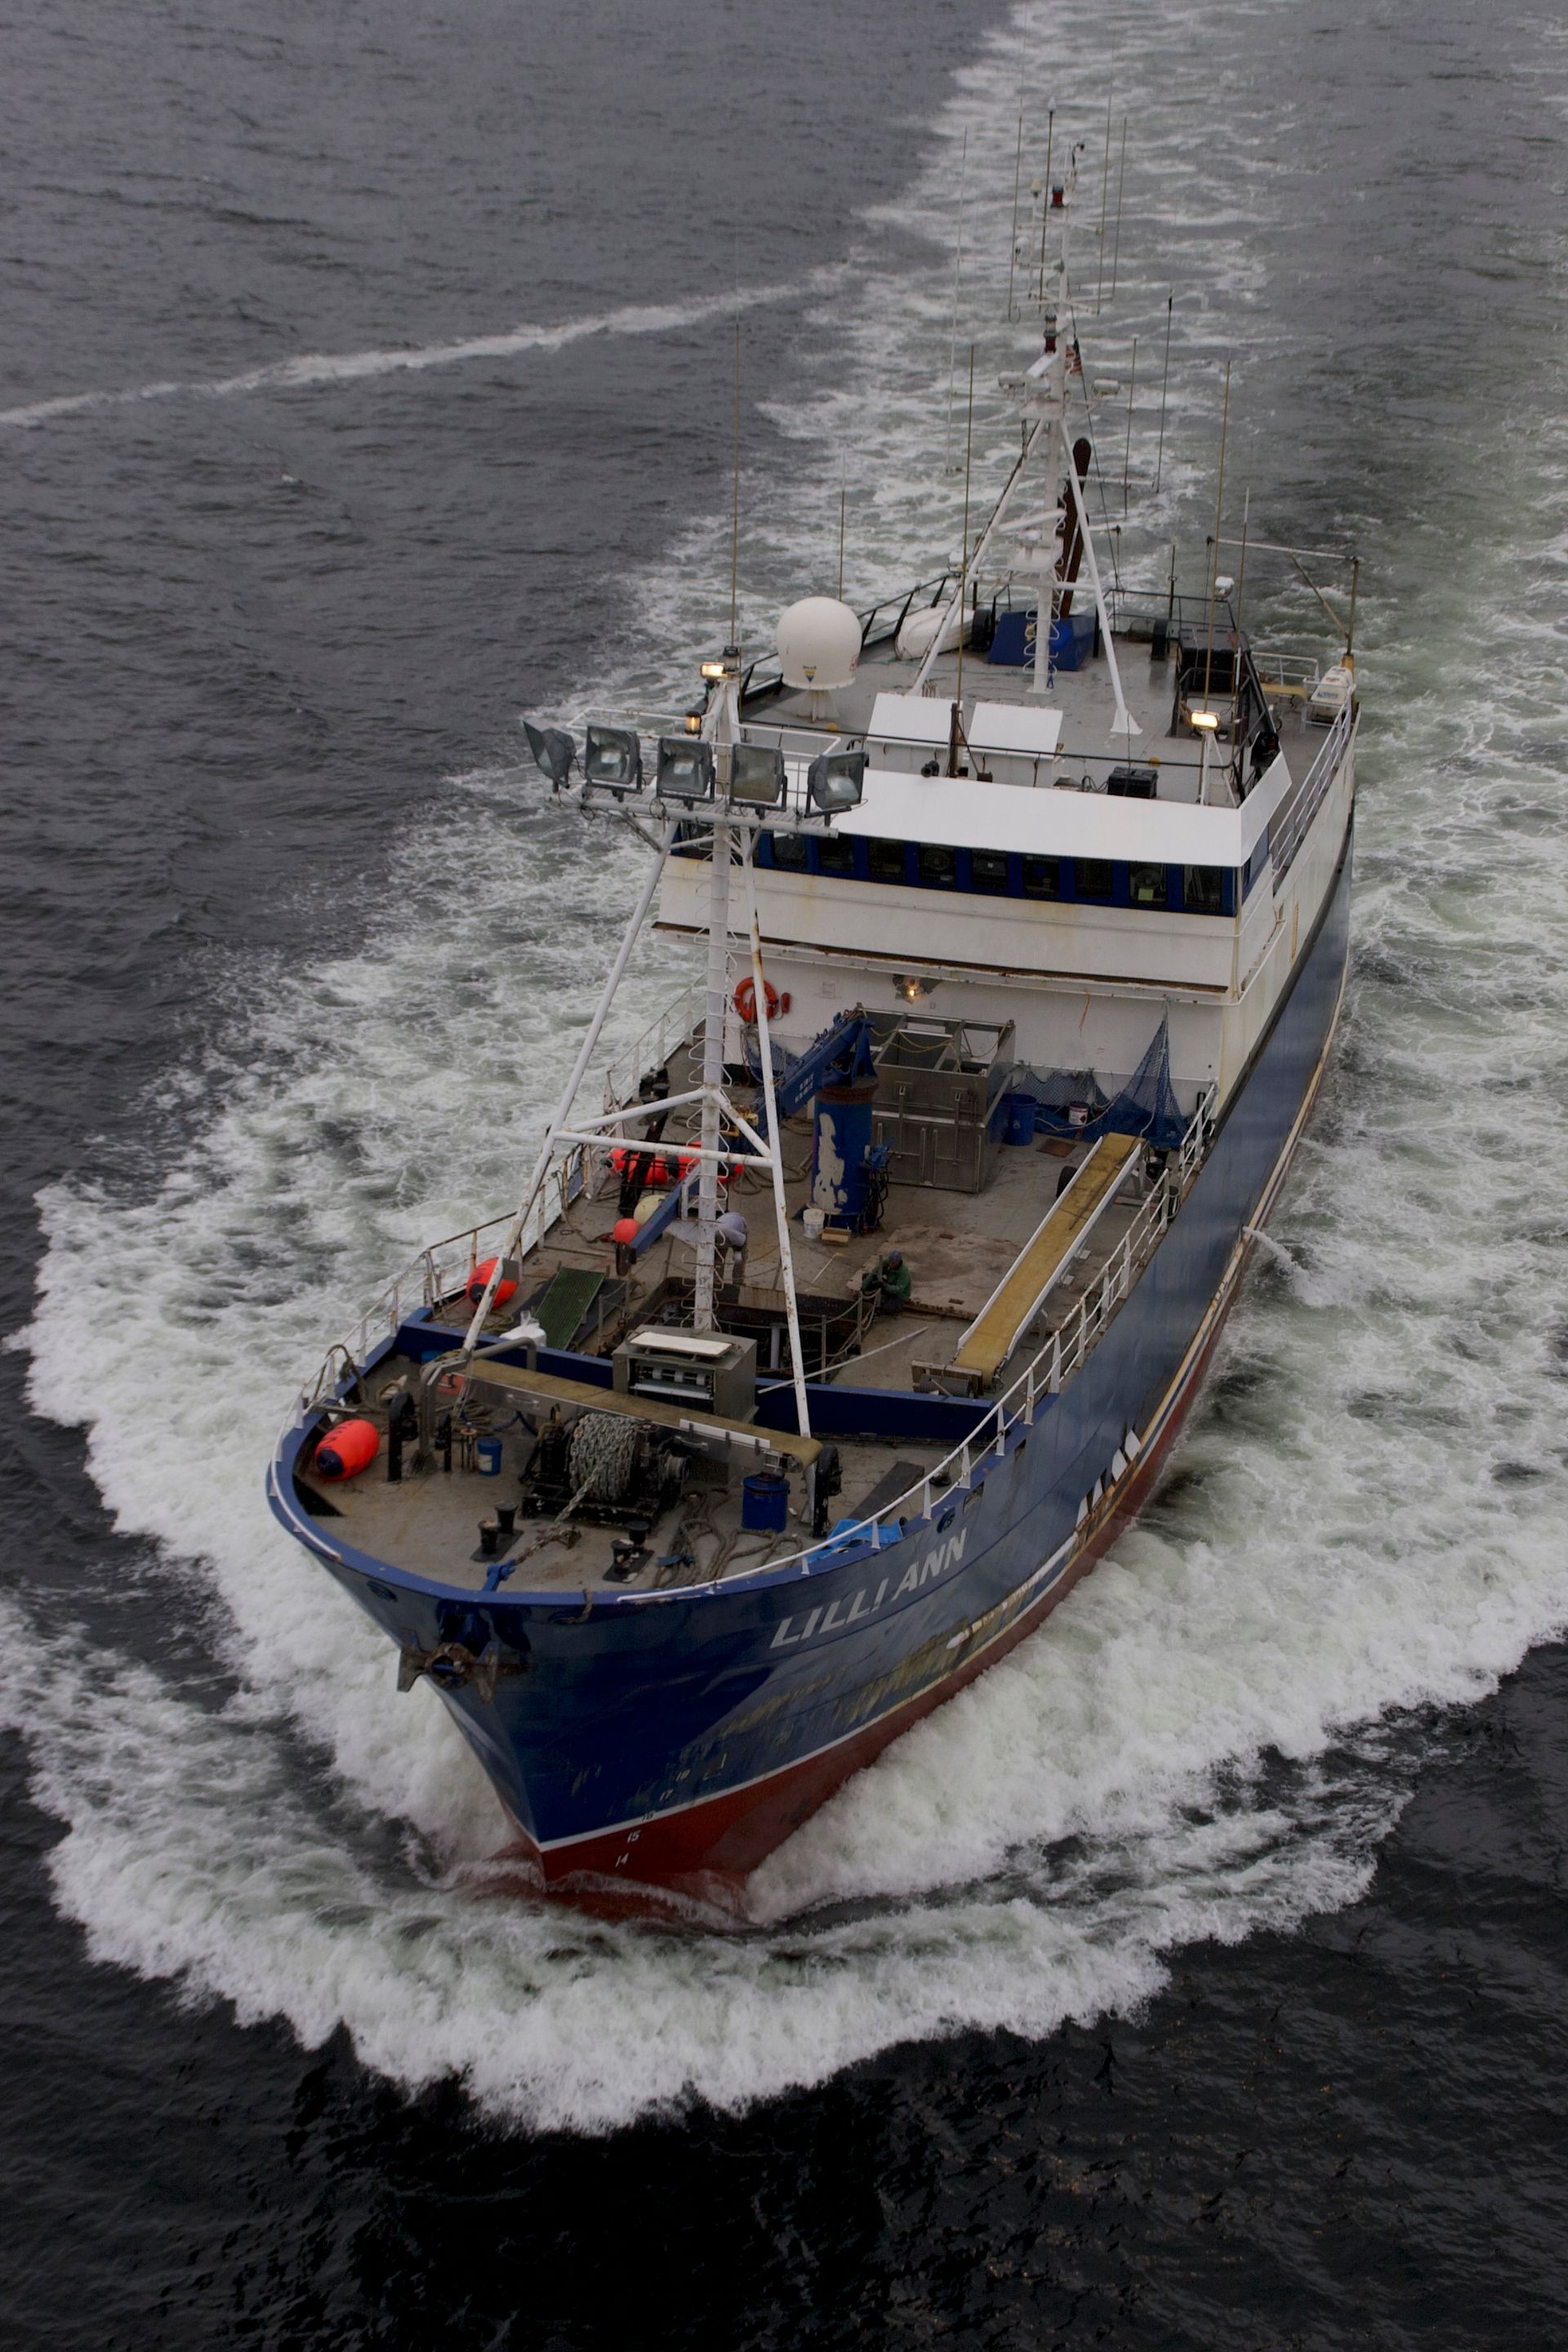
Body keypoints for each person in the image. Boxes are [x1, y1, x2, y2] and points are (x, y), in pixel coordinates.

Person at [862, 1249, 912, 1313]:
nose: (890, 1264)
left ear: (898, 1262)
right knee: (866, 1277)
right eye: (890, 1262)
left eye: (893, 1263)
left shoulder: (904, 1272)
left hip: (899, 1295)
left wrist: (884, 1286)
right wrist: (864, 1286)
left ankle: (890, 1305)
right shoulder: (887, 1263)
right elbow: (874, 1272)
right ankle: (868, 1295)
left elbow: (898, 1290)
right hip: (889, 1286)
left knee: (888, 1308)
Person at [715, 1208, 749, 1288]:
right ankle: (717, 1281)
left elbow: (740, 1242)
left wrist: (738, 1253)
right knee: (719, 1259)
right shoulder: (712, 1232)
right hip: (726, 1229)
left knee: (740, 1259)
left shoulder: (731, 1233)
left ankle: (738, 1282)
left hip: (739, 1232)